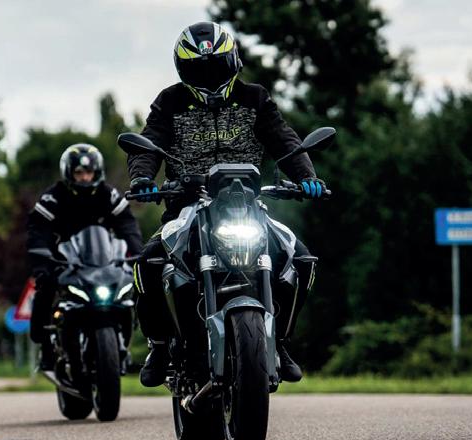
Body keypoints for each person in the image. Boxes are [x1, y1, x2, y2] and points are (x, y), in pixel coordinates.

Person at [128, 22, 329, 387]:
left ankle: (280, 341)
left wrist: (306, 176)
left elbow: (283, 139)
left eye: (216, 66)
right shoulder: (170, 101)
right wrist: (142, 178)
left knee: (299, 258)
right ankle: (158, 345)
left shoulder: (255, 97)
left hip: (247, 205)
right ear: (183, 70)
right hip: (187, 206)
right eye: (198, 69)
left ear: (233, 61)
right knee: (148, 263)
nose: (209, 76)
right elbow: (150, 142)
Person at [27, 144, 143, 370]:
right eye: (79, 172)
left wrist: (138, 253)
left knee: (137, 284)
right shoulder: (53, 197)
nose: (84, 177)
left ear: (97, 172)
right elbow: (38, 229)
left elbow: (127, 224)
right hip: (66, 261)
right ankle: (46, 344)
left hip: (103, 262)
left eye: (88, 172)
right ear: (69, 173)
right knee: (45, 284)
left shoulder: (108, 195)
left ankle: (141, 338)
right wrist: (42, 259)